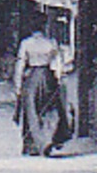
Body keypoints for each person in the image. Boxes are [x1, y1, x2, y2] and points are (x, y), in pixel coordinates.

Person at [12, 13, 70, 156]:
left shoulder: (26, 43)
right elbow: (58, 62)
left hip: (32, 77)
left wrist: (18, 85)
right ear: (44, 26)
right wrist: (58, 77)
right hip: (47, 75)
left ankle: (33, 144)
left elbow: (20, 64)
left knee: (31, 111)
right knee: (50, 109)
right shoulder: (51, 42)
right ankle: (48, 138)